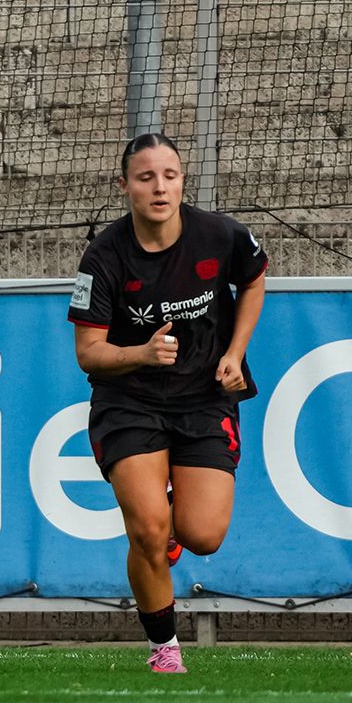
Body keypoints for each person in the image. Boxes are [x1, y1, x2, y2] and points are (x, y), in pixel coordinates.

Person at [67, 132, 268, 674]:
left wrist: (234, 351)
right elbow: (89, 354)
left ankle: (170, 526)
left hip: (205, 399)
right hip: (128, 402)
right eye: (146, 177)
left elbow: (254, 281)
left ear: (183, 180)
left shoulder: (220, 235)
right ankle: (164, 650)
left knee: (202, 535)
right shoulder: (103, 257)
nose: (160, 187)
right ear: (125, 185)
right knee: (148, 529)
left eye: (170, 175)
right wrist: (142, 352)